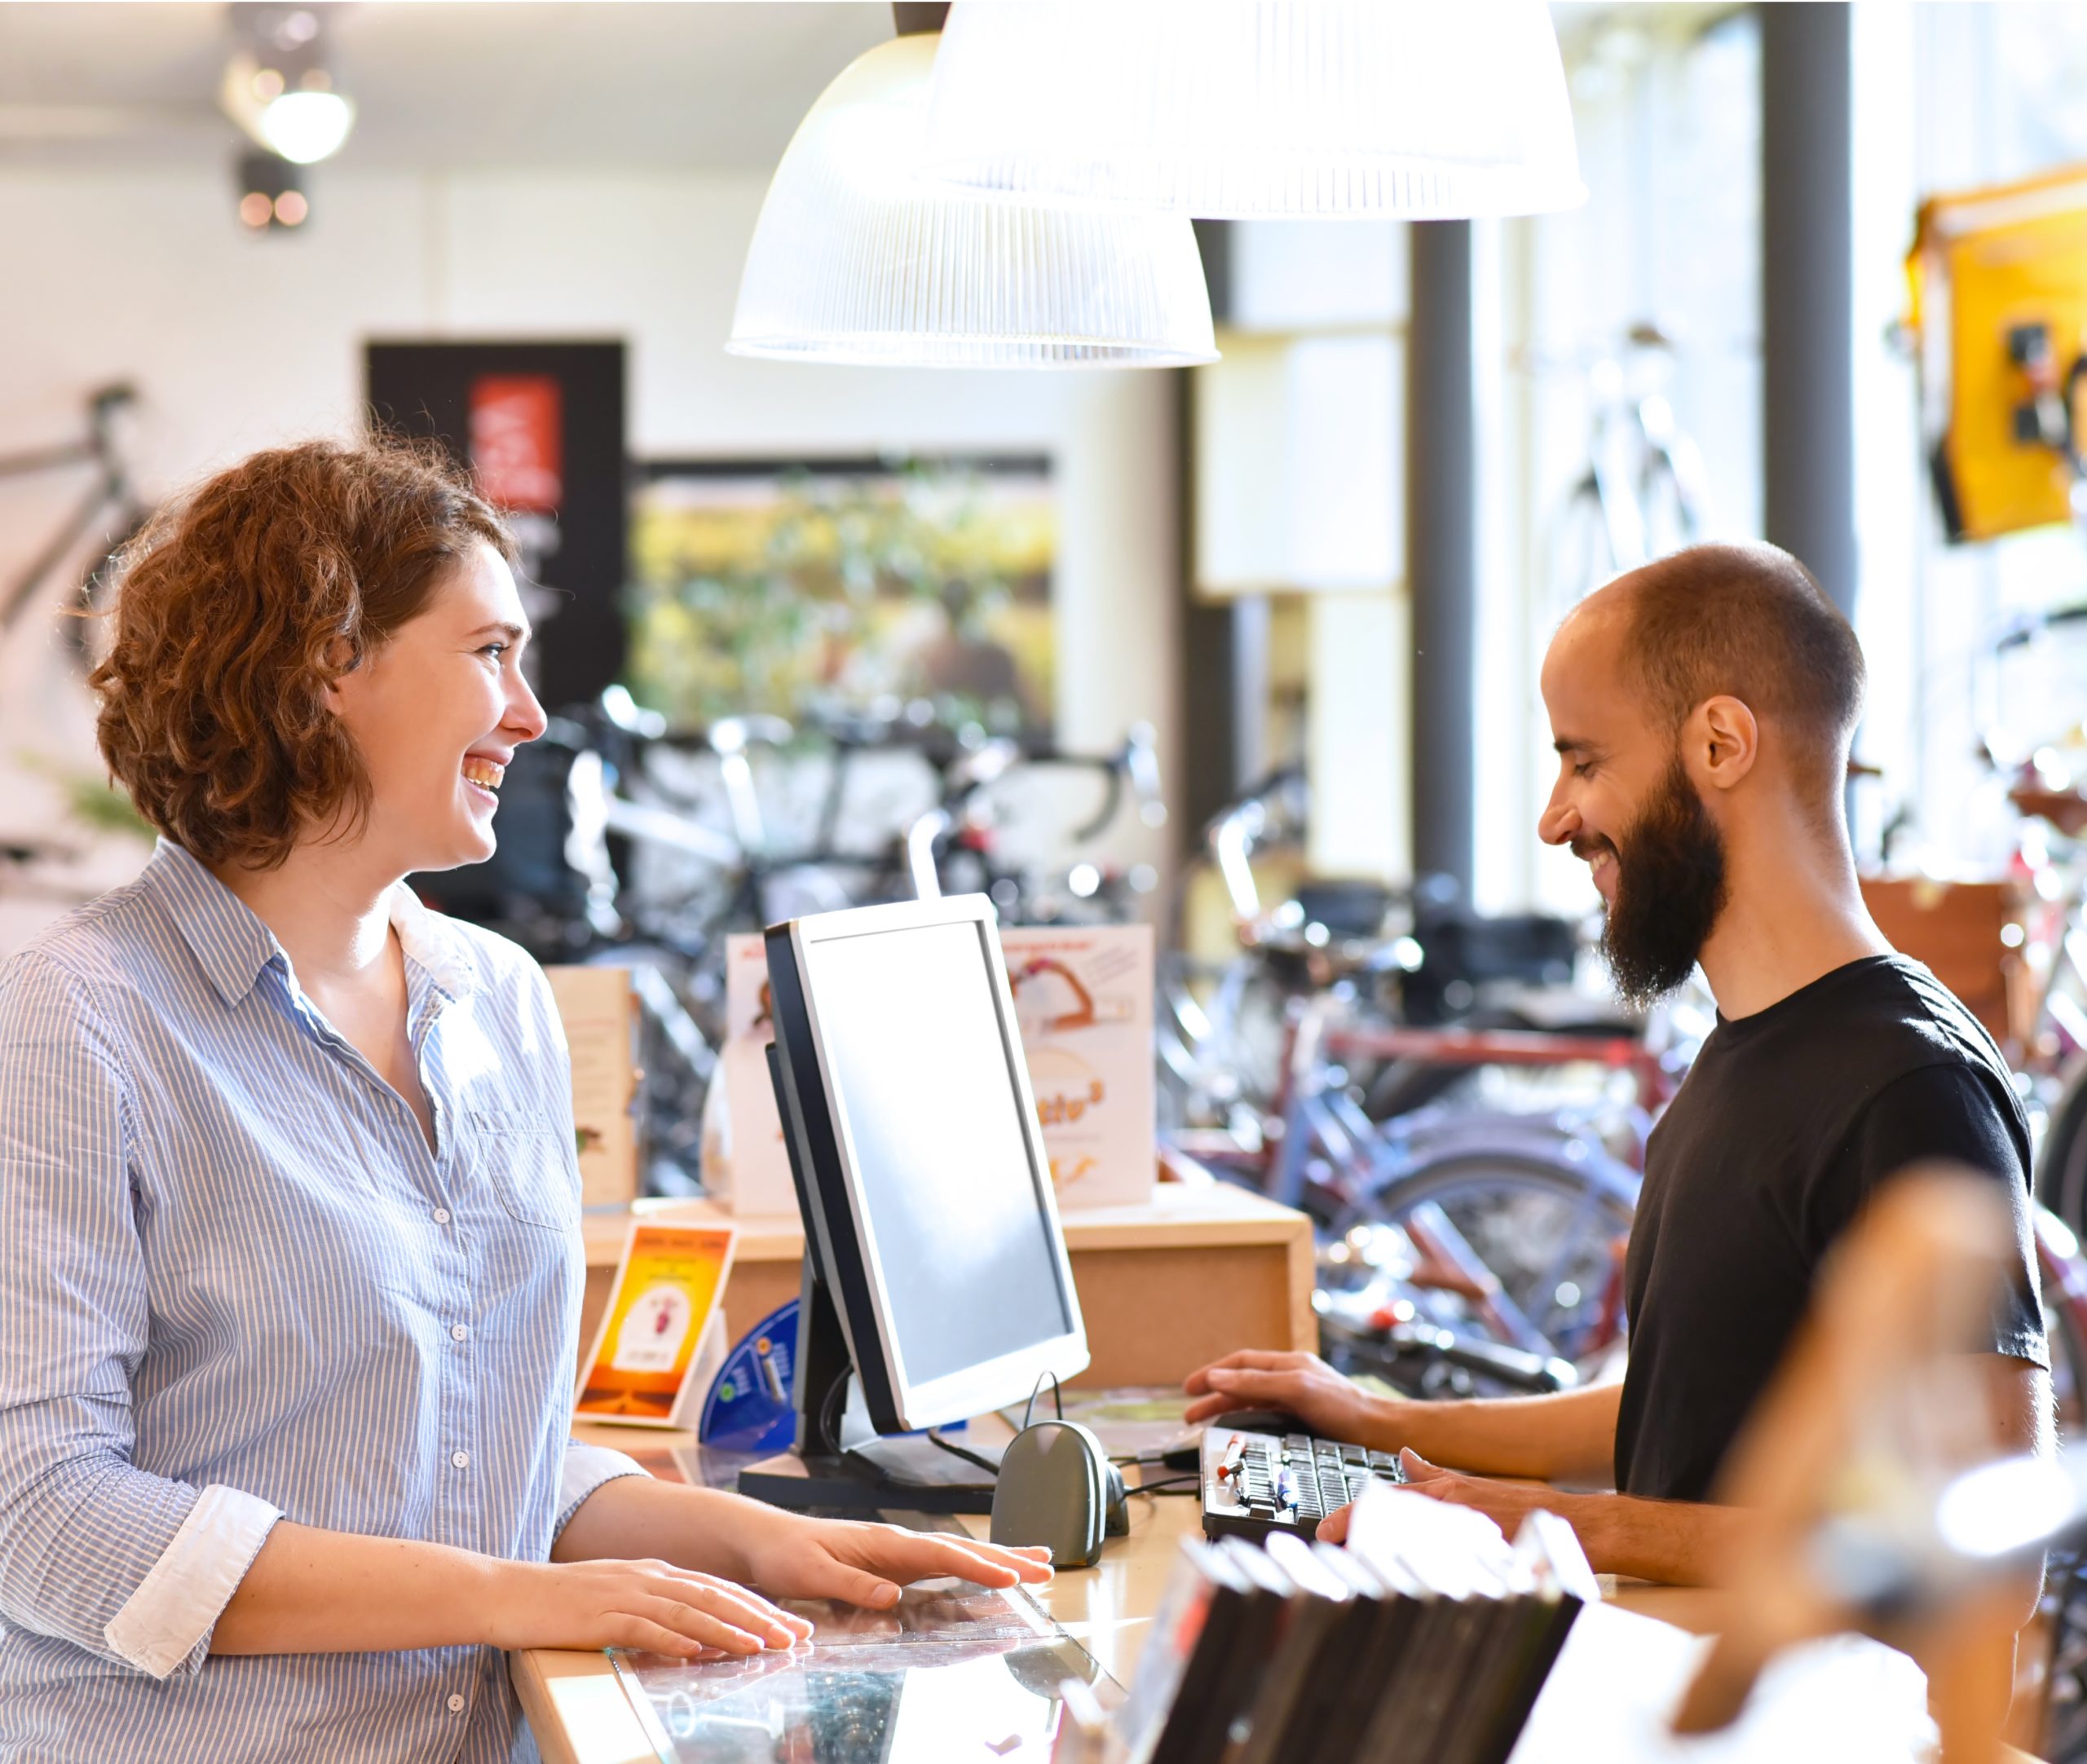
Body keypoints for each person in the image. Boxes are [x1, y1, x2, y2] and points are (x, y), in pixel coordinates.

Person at [0, 439, 1049, 1764]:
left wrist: (756, 1538)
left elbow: (465, 1447)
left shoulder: (494, 994)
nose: (530, 712)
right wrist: (515, 1595)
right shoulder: (73, 1024)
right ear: (330, 662)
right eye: (489, 651)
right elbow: (40, 1517)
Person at [1186, 541, 2050, 1586]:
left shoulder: (1907, 1087)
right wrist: (1382, 1418)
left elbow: (1980, 1542)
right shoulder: (1742, 1053)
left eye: (1585, 762)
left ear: (1721, 743)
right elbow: (1683, 1406)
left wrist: (1558, 1526)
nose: (1556, 818)